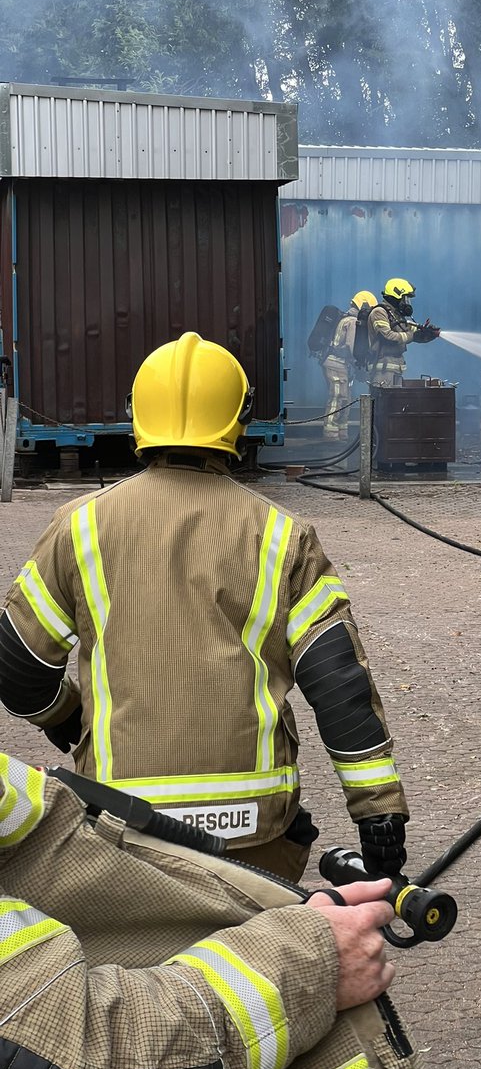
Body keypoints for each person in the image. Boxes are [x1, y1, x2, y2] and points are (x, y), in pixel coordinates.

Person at [0, 332, 411, 884]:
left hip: (123, 829)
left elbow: (18, 667)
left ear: (136, 415)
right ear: (238, 420)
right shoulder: (283, 537)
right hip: (256, 835)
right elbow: (339, 687)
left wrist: (68, 716)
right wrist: (378, 812)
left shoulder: (79, 529)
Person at [0, 752, 430, 1069]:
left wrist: (70, 722)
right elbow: (66, 1058)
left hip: (142, 817)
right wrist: (309, 962)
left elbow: (28, 667)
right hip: (248, 824)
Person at [322, 290, 377, 440]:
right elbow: (352, 348)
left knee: (345, 398)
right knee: (338, 397)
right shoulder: (353, 322)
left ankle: (341, 432)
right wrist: (360, 366)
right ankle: (330, 433)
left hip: (340, 364)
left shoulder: (347, 318)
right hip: (336, 364)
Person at [368, 277, 440, 388]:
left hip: (395, 370)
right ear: (396, 296)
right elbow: (387, 336)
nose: (407, 303)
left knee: (395, 404)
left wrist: (428, 333)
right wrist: (412, 335)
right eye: (405, 298)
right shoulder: (379, 313)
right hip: (383, 371)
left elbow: (413, 334)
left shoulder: (396, 315)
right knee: (384, 404)